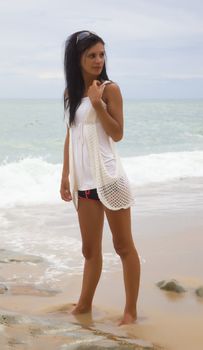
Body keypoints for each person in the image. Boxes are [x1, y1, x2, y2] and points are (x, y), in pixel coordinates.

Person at [60, 30, 140, 325]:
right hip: (84, 185)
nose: (98, 60)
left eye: (101, 54)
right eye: (91, 55)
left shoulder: (109, 90)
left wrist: (97, 104)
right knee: (90, 250)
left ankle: (130, 311)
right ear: (77, 59)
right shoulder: (70, 93)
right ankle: (84, 305)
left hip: (110, 180)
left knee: (123, 247)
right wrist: (65, 175)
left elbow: (117, 134)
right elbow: (71, 135)